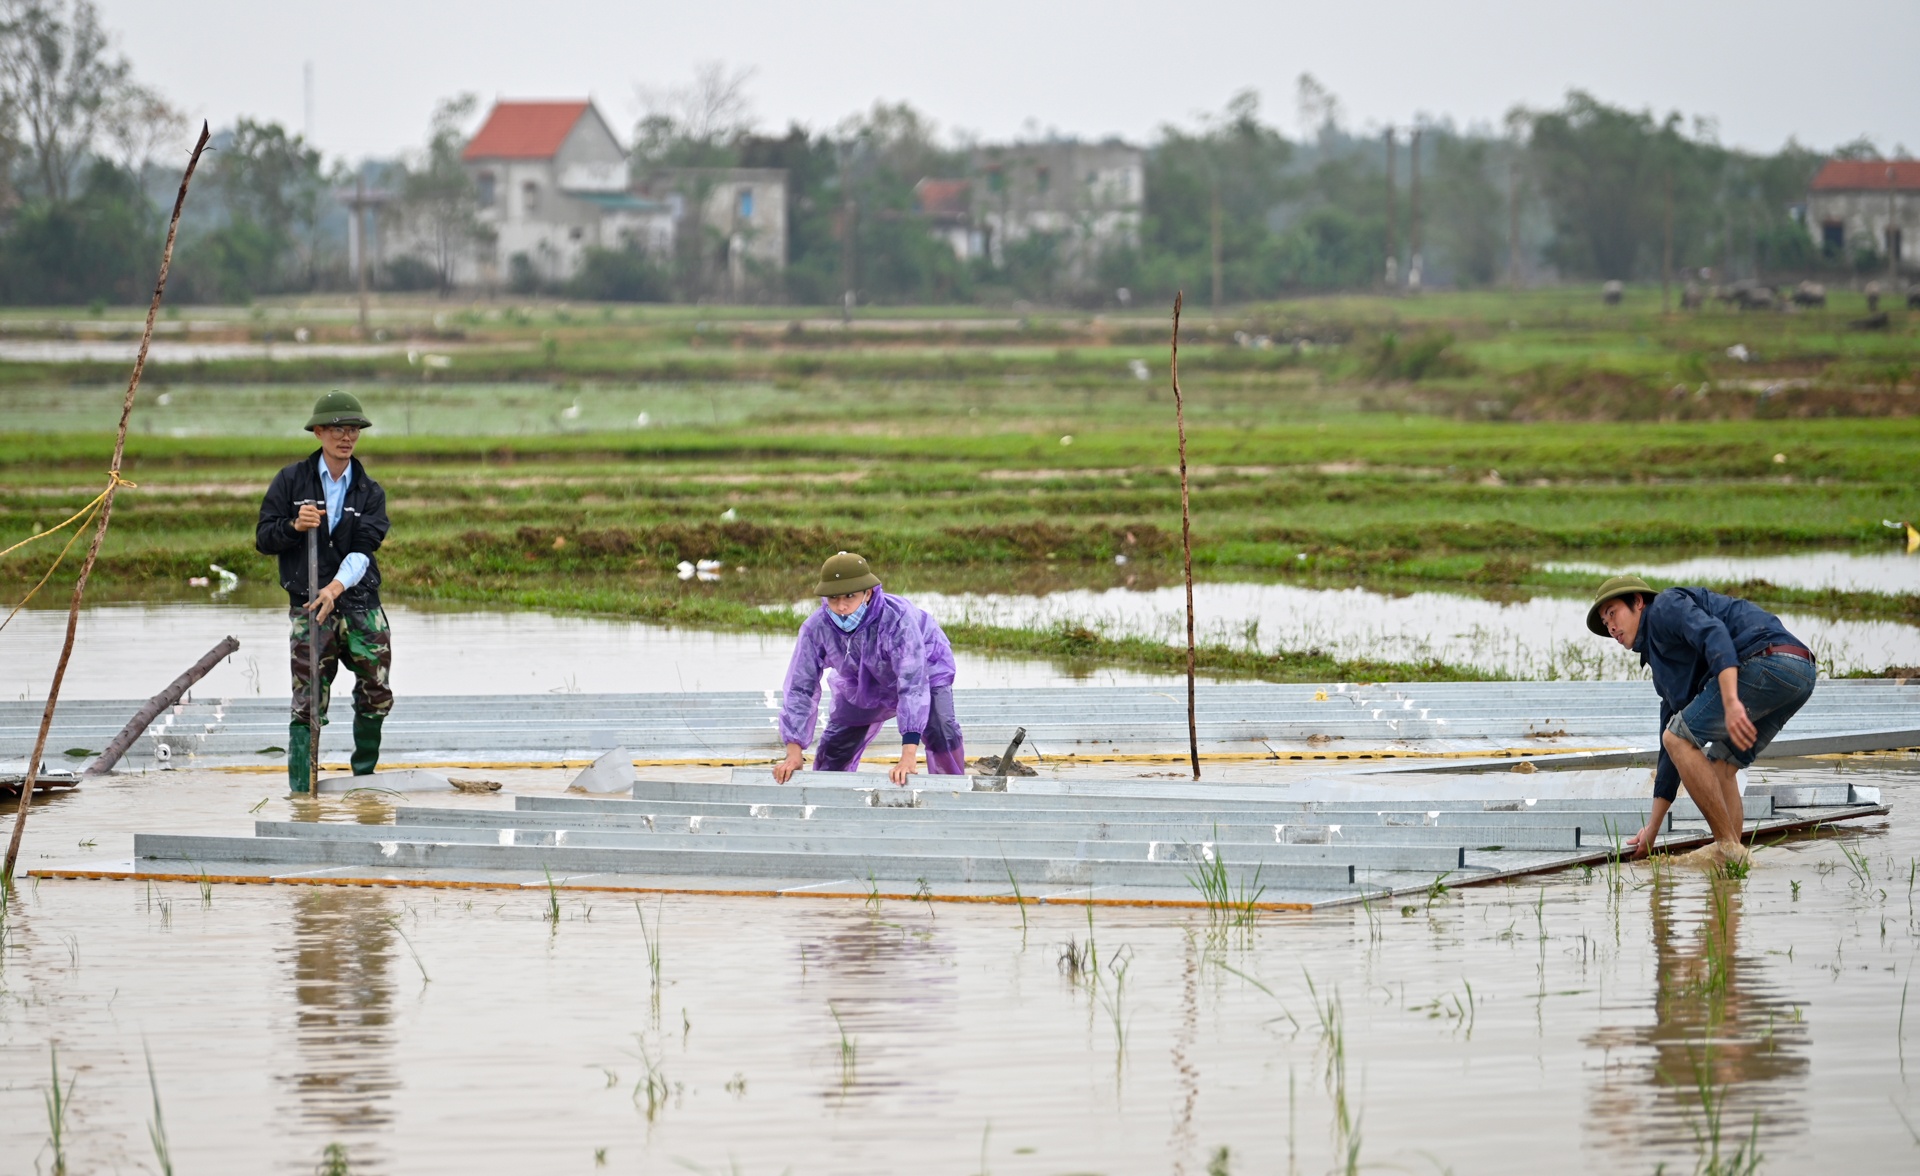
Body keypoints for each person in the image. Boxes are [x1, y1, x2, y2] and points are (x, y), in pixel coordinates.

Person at [1587, 575, 1817, 862]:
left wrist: (1731, 700)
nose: (1610, 626)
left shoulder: (1664, 607)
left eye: (1613, 613)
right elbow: (1669, 751)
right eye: (1605, 622)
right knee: (1721, 766)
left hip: (1769, 661)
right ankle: (1732, 868)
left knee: (1678, 738)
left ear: (1637, 602)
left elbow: (1714, 634)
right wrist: (1653, 828)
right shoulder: (1663, 667)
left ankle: (1726, 847)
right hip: (1801, 674)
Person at [255, 391, 393, 792]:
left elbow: (363, 551)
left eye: (352, 429)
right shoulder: (290, 481)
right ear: (318, 432)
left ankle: (363, 779)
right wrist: (294, 527)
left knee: (377, 692)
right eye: (337, 429)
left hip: (359, 602)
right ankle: (303, 790)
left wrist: (335, 588)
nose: (345, 437)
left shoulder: (369, 491)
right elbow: (264, 538)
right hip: (308, 607)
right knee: (307, 703)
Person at [773, 551, 966, 786]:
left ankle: (951, 789)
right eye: (833, 598)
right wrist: (794, 753)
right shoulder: (817, 628)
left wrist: (907, 757)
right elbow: (800, 688)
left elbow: (912, 684)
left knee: (940, 729)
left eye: (849, 596)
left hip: (925, 670)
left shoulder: (896, 620)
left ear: (868, 593)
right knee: (834, 751)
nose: (841, 606)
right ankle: (832, 799)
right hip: (861, 682)